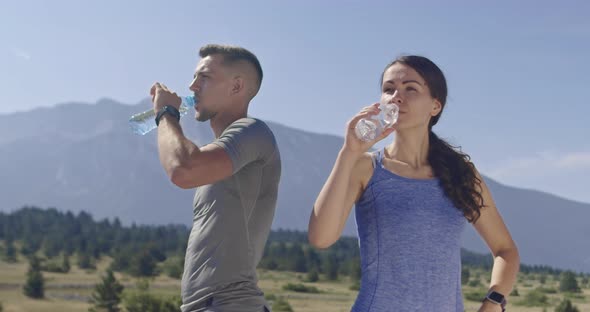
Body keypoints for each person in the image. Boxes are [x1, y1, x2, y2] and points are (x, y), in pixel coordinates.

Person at [308, 55, 519, 312]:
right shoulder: (365, 168)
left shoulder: (461, 174)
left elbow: (505, 250)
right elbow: (321, 238)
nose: (397, 96)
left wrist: (494, 301)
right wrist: (348, 152)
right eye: (389, 89)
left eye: (411, 88)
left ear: (435, 106)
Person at [151, 44, 281, 312]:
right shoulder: (220, 157)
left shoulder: (253, 131)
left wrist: (166, 114)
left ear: (236, 86)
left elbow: (183, 169)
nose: (192, 86)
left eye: (204, 77)